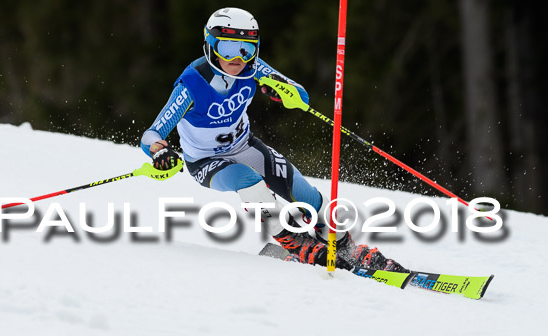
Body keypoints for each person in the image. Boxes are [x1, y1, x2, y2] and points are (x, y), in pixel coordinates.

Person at [140, 7, 407, 273]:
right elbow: (152, 133)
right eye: (228, 48)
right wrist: (159, 152)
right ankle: (294, 242)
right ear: (210, 46)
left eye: (246, 49)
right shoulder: (191, 85)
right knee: (250, 183)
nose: (237, 58)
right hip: (206, 161)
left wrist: (284, 91)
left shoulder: (252, 67)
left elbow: (300, 96)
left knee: (308, 198)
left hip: (245, 146)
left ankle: (344, 246)